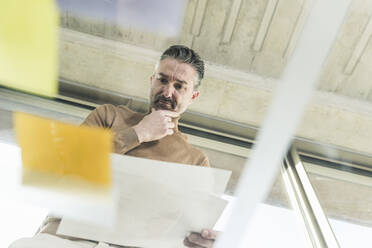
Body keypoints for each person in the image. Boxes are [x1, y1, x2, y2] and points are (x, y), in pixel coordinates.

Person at [10, 45, 219, 248]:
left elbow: (190, 233)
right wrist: (138, 133)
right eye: (162, 80)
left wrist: (204, 241)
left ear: (193, 96)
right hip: (64, 240)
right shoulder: (109, 116)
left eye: (179, 86)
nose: (167, 92)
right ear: (151, 81)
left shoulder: (196, 162)